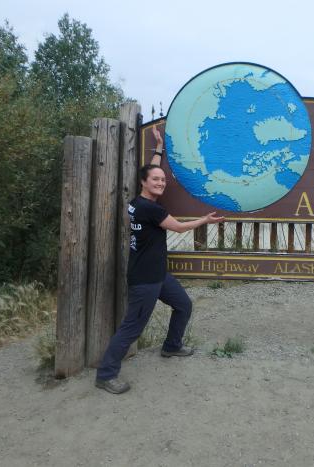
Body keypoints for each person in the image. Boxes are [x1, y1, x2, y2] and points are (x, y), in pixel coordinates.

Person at [95, 125, 224, 394]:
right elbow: (177, 227)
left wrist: (158, 149)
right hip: (144, 280)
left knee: (183, 305)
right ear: (143, 182)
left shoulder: (136, 202)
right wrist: (205, 220)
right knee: (132, 328)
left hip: (158, 275)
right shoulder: (149, 209)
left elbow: (151, 170)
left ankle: (171, 346)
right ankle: (106, 375)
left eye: (163, 180)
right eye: (156, 180)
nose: (161, 183)